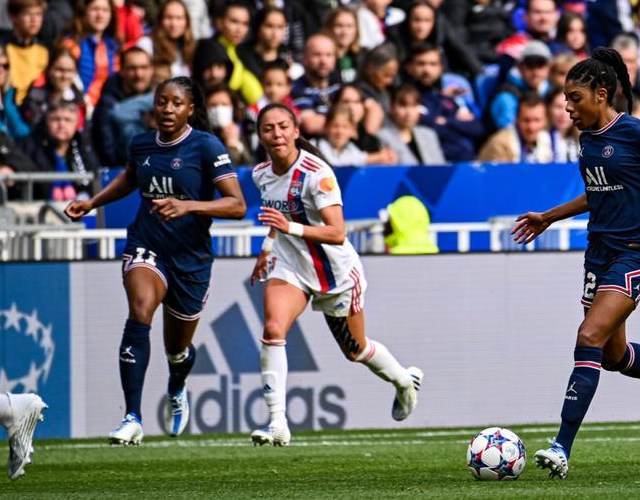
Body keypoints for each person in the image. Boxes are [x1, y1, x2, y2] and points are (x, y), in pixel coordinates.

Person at [511, 48, 640, 479]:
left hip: (638, 251)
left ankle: (561, 447)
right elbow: (599, 193)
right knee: (614, 356)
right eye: (565, 98)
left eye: (575, 97)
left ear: (602, 94)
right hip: (599, 252)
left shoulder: (638, 132)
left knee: (589, 334)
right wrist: (549, 216)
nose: (566, 106)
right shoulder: (587, 140)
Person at [64, 77, 247, 444]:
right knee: (141, 310)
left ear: (190, 109)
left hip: (191, 258)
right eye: (161, 101)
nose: (167, 109)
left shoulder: (206, 147)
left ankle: (176, 387)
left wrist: (188, 205)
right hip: (147, 244)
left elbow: (237, 205)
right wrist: (93, 202)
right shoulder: (142, 143)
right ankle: (132, 416)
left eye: (176, 103)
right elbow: (130, 178)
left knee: (177, 350)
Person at [248, 103, 422, 446]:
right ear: (260, 136)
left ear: (296, 131)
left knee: (355, 350)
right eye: (268, 128)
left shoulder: (317, 174)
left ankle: (403, 382)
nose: (277, 134)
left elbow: (337, 232)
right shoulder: (260, 174)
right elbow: (276, 221)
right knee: (272, 328)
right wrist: (267, 250)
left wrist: (289, 227)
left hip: (336, 274)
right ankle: (277, 423)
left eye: (283, 126)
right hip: (291, 265)